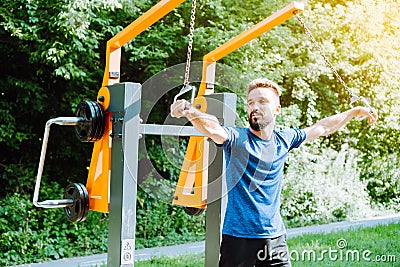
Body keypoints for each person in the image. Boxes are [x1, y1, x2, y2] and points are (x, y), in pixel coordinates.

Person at [170, 78, 378, 267]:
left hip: (274, 239)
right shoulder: (237, 139)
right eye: (251, 103)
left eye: (262, 101)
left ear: (277, 109)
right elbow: (213, 128)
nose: (255, 107)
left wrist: (353, 112)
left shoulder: (284, 139)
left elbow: (322, 127)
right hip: (237, 241)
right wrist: (190, 111)